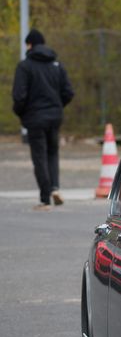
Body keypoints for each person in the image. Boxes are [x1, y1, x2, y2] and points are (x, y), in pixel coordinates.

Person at [12, 29, 74, 212]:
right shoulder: (57, 65)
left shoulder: (25, 66)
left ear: (30, 45)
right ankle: (55, 188)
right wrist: (57, 107)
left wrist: (21, 113)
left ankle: (45, 199)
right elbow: (69, 92)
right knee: (52, 153)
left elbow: (19, 96)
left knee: (39, 156)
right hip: (55, 117)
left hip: (35, 118)